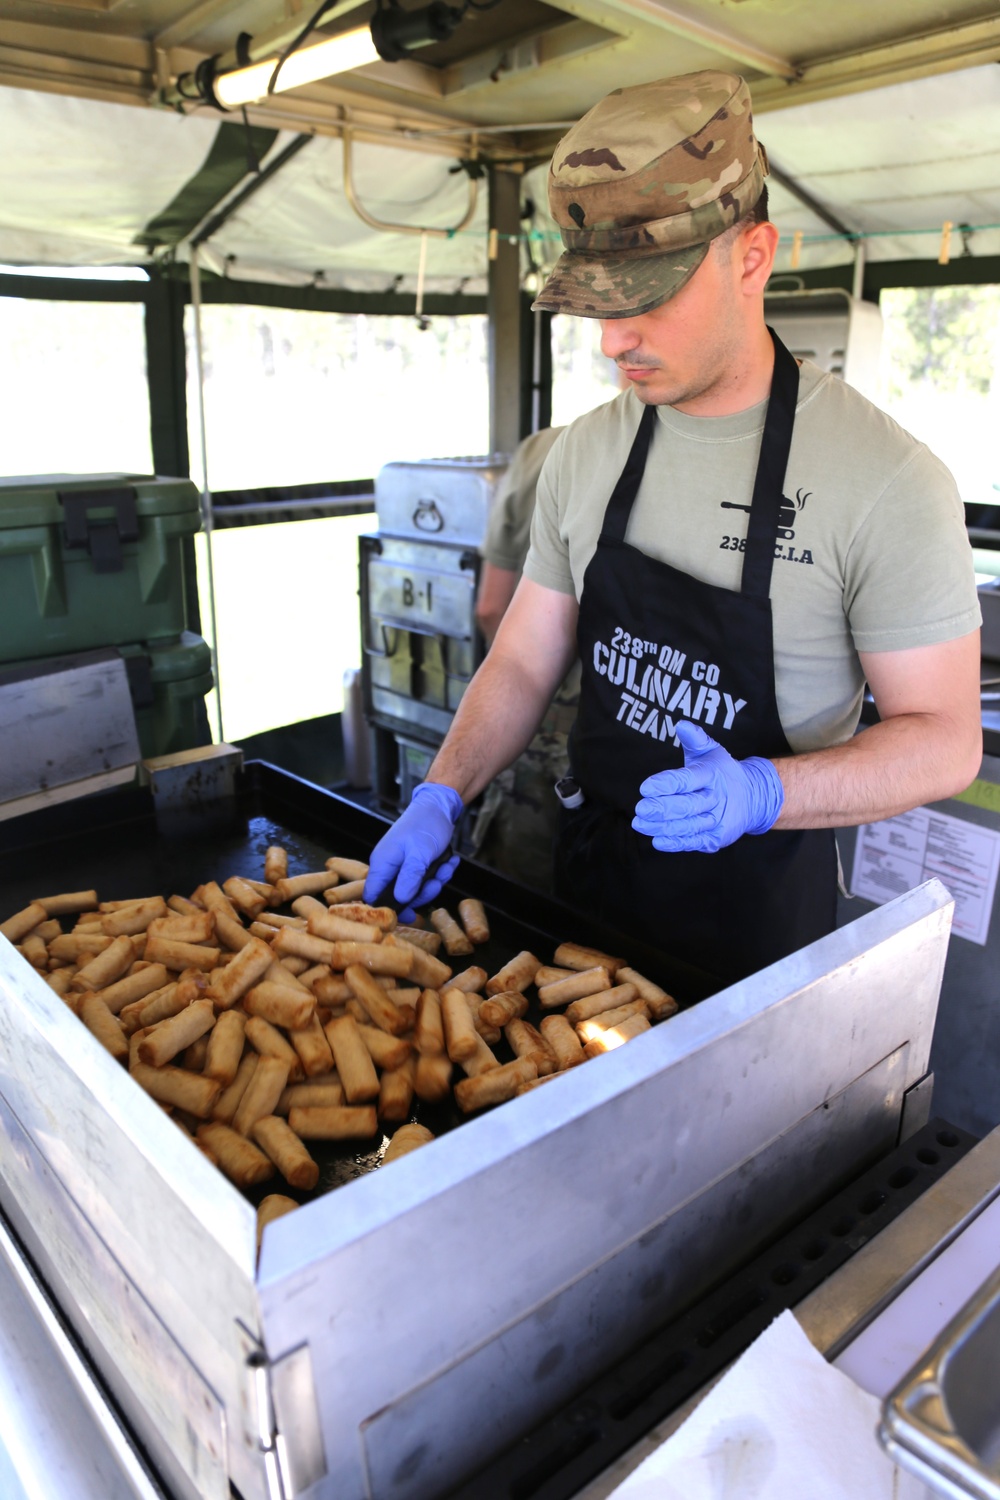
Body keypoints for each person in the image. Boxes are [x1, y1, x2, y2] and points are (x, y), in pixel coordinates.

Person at [363, 70, 982, 985]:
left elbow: (945, 739)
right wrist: (443, 790)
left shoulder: (888, 480)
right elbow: (528, 657)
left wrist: (765, 790)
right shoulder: (584, 453)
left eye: (646, 297)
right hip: (584, 902)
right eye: (597, 302)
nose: (613, 340)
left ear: (753, 257)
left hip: (754, 938)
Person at [471, 425, 579, 892]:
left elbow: (491, 606)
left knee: (516, 891)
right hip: (619, 719)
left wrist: (524, 685)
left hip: (537, 715)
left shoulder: (541, 449)